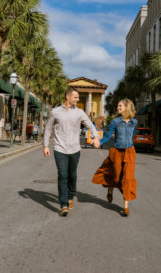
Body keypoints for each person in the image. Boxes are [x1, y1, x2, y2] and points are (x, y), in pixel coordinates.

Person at [43, 87, 100, 216]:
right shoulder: (55, 112)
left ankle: (70, 196)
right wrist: (45, 145)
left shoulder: (79, 112)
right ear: (68, 97)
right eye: (76, 97)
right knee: (63, 175)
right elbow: (48, 129)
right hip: (59, 148)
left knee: (72, 175)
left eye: (78, 97)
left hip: (75, 149)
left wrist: (96, 136)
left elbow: (90, 125)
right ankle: (64, 204)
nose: (78, 99)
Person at [92, 99, 137, 217]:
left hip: (129, 152)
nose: (118, 107)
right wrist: (98, 142)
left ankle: (125, 206)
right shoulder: (115, 122)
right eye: (118, 106)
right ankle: (110, 189)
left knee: (127, 178)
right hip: (117, 152)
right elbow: (107, 137)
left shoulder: (134, 122)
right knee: (116, 177)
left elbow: (132, 137)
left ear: (127, 107)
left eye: (120, 105)